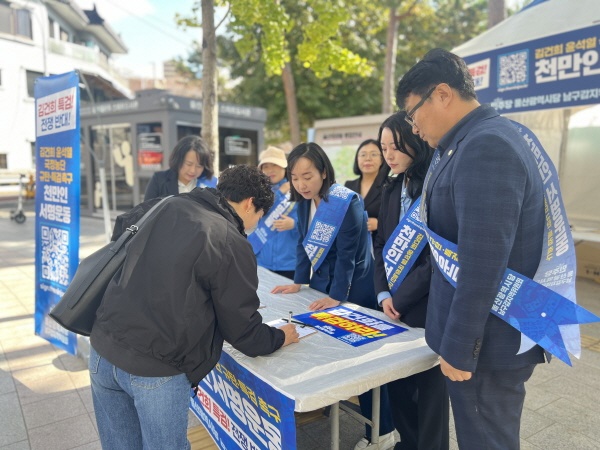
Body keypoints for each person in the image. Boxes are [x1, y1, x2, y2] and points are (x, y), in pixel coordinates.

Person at [396, 48, 546, 450]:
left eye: (413, 114)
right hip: (483, 339)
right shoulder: (469, 141)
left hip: (486, 347)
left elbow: (483, 263)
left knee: (486, 440)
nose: (413, 127)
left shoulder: (486, 146)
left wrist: (461, 349)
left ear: (442, 94)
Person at [89, 164, 300, 450]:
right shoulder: (230, 239)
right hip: (157, 367)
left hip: (103, 347)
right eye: (260, 215)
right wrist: (281, 336)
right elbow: (244, 333)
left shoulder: (168, 203)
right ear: (251, 204)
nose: (257, 223)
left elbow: (122, 233)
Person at [271, 142, 396, 450]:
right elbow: (303, 243)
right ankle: (337, 406)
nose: (301, 184)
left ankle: (384, 431)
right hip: (326, 286)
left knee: (364, 360)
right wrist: (299, 283)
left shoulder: (345, 201)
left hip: (356, 288)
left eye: (308, 176)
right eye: (295, 177)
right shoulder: (302, 200)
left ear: (323, 172)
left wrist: (337, 296)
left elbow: (348, 256)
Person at [374, 111, 449, 450]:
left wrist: (399, 299)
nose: (388, 154)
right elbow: (380, 247)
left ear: (416, 142)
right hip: (391, 307)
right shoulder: (390, 190)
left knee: (430, 398)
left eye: (395, 146)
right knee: (398, 388)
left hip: (427, 309)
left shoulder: (435, 188)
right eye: (383, 146)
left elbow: (437, 258)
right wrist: (383, 293)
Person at [251, 146, 300, 280]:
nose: (270, 170)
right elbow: (259, 212)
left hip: (289, 263)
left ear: (285, 168)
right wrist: (279, 193)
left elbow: (311, 222)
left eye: (275, 165)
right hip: (261, 261)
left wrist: (294, 224)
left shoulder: (298, 189)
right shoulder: (255, 191)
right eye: (265, 166)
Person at [144, 135, 216, 201]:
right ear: (178, 159)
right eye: (189, 164)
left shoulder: (211, 184)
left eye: (199, 166)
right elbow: (146, 211)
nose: (193, 170)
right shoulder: (159, 180)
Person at [344, 139, 388, 242]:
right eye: (363, 155)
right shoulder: (348, 186)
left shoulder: (390, 185)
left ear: (382, 159)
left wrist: (379, 224)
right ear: (357, 159)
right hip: (353, 245)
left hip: (379, 244)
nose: (368, 159)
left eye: (373, 154)